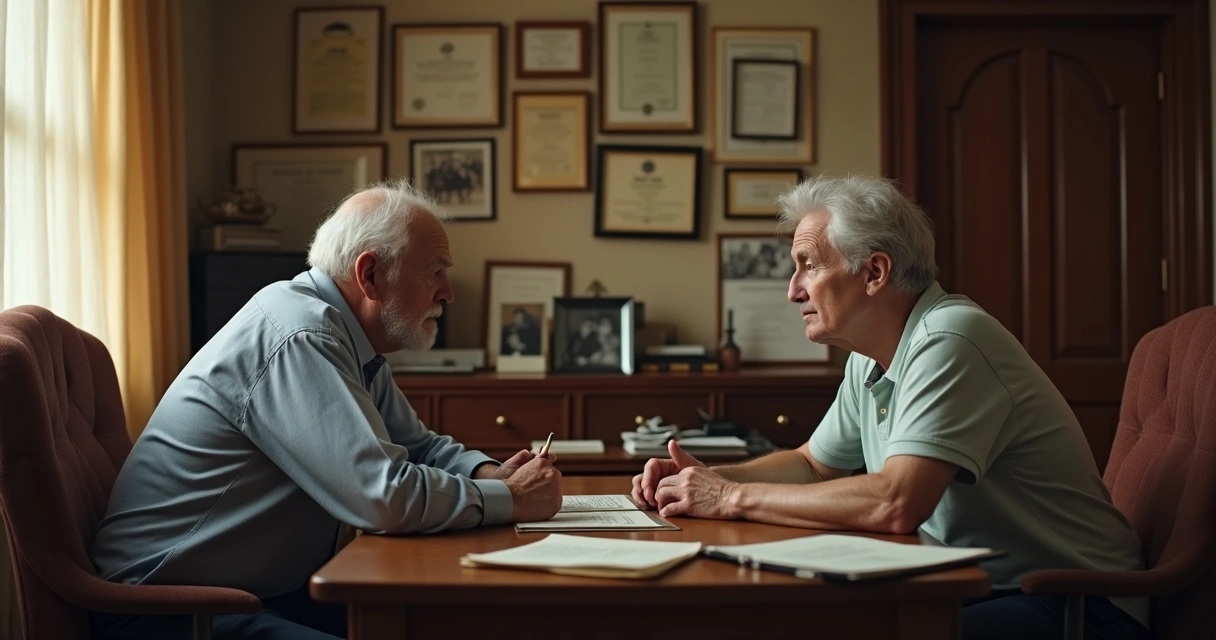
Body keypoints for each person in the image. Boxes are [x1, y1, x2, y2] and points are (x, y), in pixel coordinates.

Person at [632, 175, 1150, 640]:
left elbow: (896, 503)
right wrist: (704, 480)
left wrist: (730, 498)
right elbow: (813, 465)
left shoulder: (951, 338)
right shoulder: (871, 356)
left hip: (1076, 606)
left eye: (808, 266)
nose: (793, 291)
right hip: (977, 585)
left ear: (875, 272)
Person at [90, 180, 563, 640]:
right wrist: (513, 499)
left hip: (254, 595)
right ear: (370, 275)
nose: (448, 292)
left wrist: (489, 474)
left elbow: (416, 446)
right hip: (168, 611)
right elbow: (383, 498)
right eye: (434, 272)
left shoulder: (345, 337)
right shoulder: (302, 336)